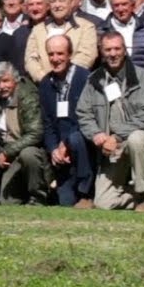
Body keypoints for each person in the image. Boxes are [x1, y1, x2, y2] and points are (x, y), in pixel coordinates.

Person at [77, 32, 144, 212]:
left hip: (137, 142)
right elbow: (84, 113)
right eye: (108, 50)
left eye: (117, 49)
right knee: (104, 203)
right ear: (101, 52)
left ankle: (143, 196)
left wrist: (117, 136)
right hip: (111, 148)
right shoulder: (94, 79)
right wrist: (96, 134)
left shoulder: (141, 77)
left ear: (125, 50)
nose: (113, 54)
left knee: (137, 138)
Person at [39, 35, 95, 208]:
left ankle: (86, 192)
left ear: (70, 54)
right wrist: (54, 149)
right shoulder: (45, 83)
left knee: (76, 139)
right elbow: (47, 123)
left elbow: (88, 118)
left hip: (83, 144)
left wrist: (66, 143)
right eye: (51, 54)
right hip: (62, 155)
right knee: (65, 202)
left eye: (60, 54)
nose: (55, 59)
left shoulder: (85, 78)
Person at [0, 62, 47, 205]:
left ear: (15, 79)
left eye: (5, 81)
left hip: (28, 149)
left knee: (28, 154)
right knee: (7, 202)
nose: (1, 86)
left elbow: (35, 133)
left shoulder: (28, 96)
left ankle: (38, 197)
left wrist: (7, 152)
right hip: (10, 151)